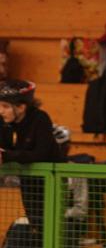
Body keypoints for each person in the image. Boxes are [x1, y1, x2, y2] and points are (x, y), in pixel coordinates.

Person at [0, 80, 64, 228]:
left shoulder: (40, 119)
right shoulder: (3, 121)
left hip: (51, 181)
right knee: (36, 225)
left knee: (53, 224)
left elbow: (40, 154)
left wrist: (7, 155)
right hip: (28, 181)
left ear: (21, 107)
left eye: (5, 106)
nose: (1, 111)